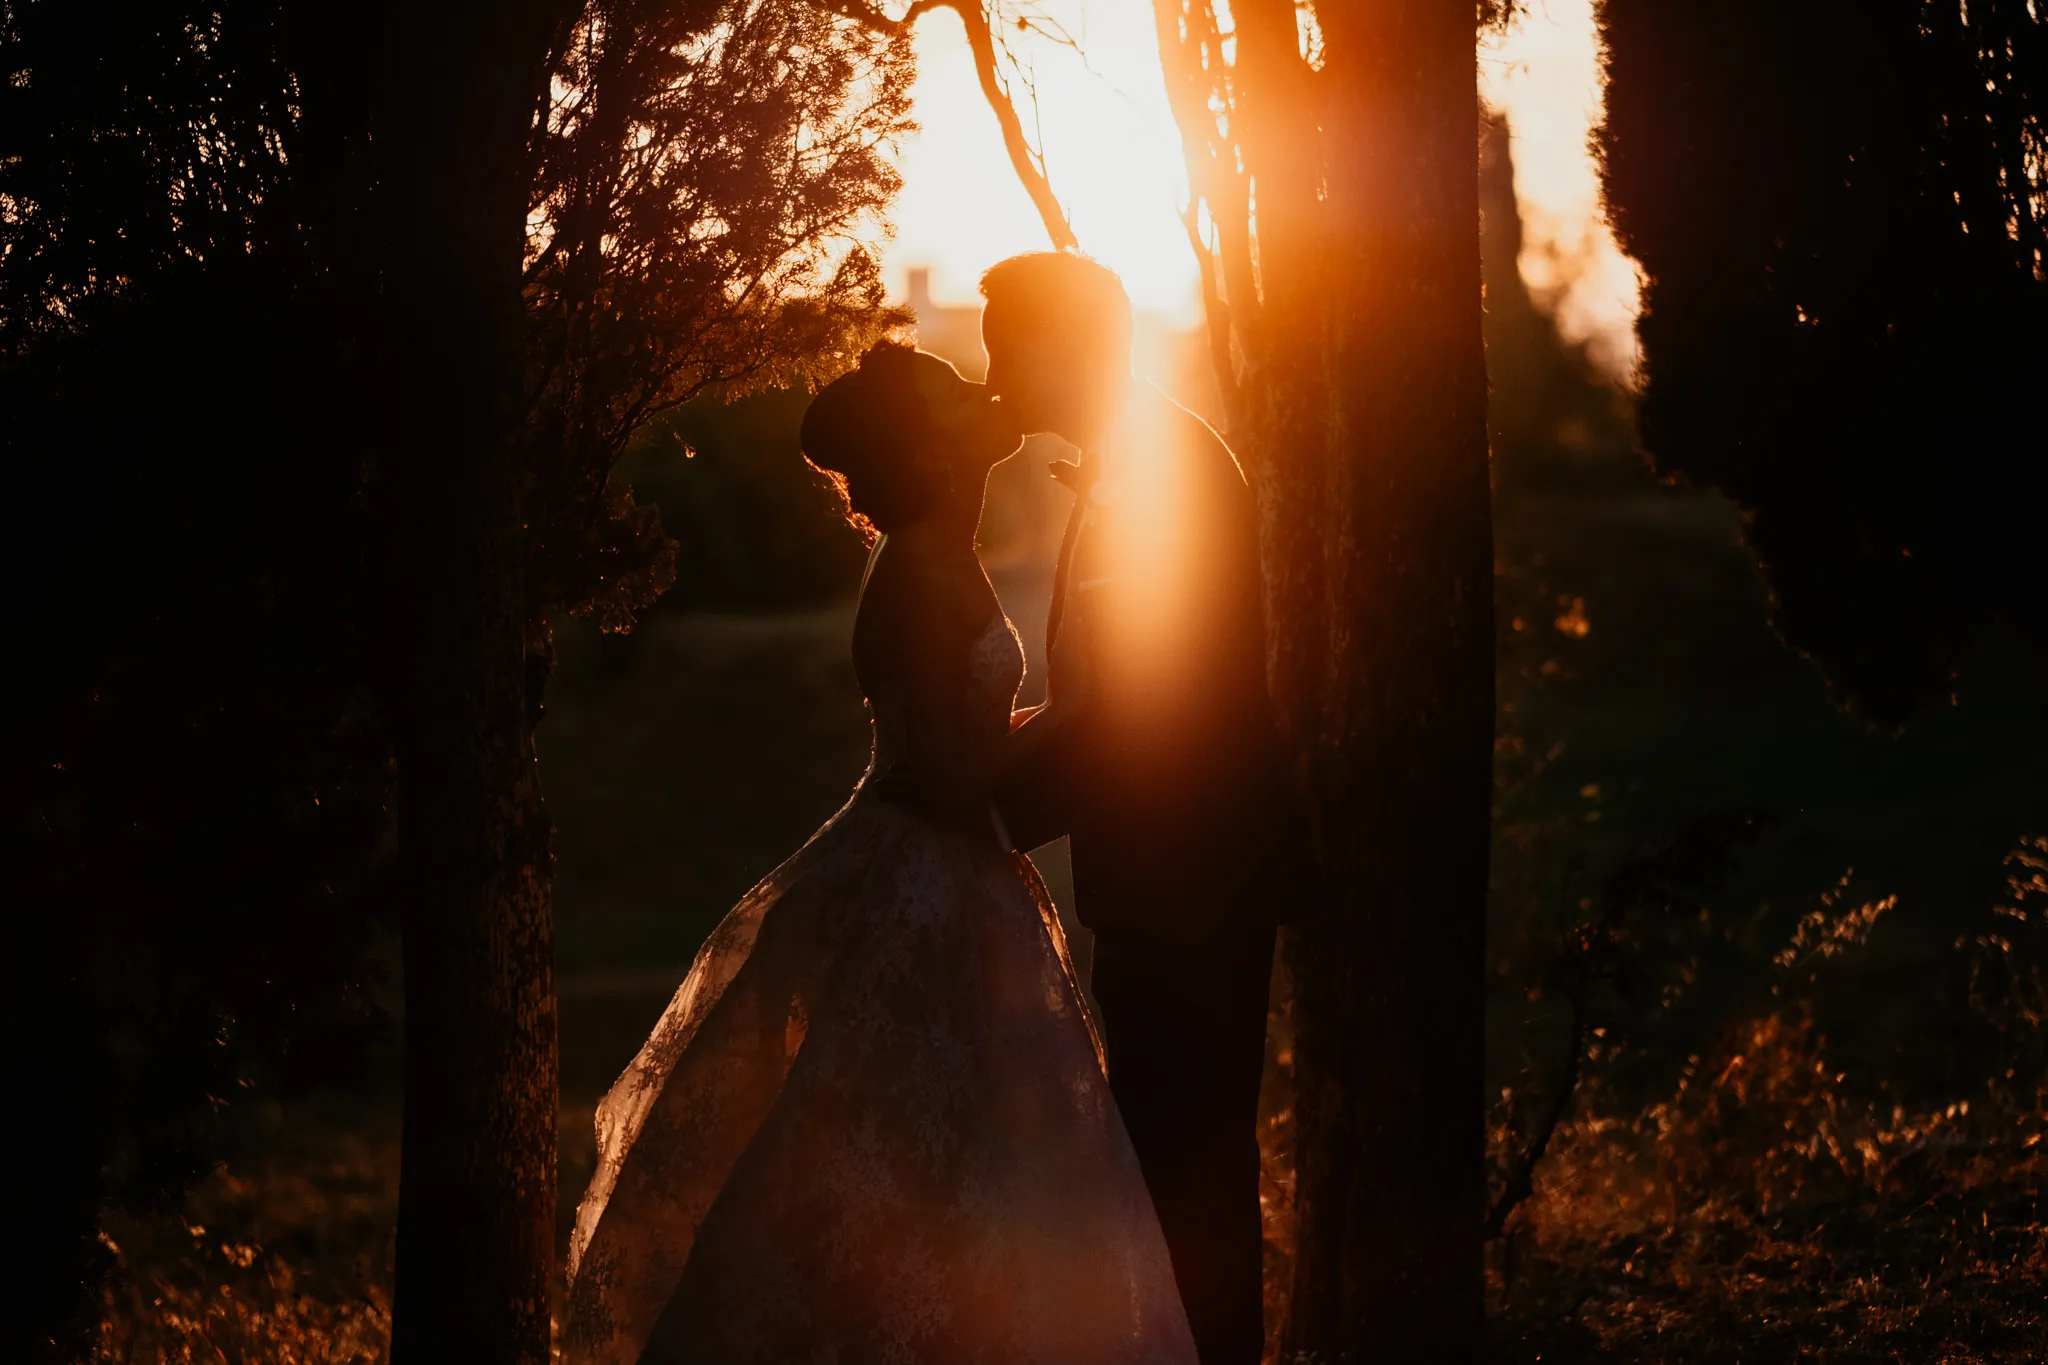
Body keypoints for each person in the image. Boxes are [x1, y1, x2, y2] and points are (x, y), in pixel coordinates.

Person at [561, 340, 1198, 1365]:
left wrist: (1051, 714)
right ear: (937, 458)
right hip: (926, 882)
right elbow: (950, 777)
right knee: (911, 1145)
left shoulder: (940, 557)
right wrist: (1081, 710)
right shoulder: (917, 573)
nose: (987, 390)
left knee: (961, 1152)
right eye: (955, 399)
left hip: (947, 870)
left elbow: (963, 735)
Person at [985, 252, 1295, 1365]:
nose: (990, 371)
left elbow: (1125, 705)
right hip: (1168, 887)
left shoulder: (1158, 477)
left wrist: (972, 799)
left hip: (1190, 892)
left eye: (1000, 342)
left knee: (1188, 1179)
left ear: (1065, 345)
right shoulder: (1138, 461)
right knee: (1171, 1173)